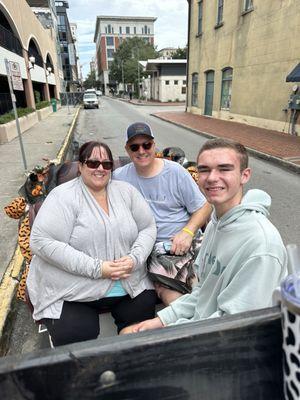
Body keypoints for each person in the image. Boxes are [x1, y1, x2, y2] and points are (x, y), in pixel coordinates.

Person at [121, 138, 288, 334]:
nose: (212, 178)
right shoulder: (215, 224)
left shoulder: (261, 245)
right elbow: (203, 294)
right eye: (205, 170)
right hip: (206, 328)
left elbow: (236, 326)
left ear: (245, 175)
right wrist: (159, 321)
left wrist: (166, 334)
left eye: (224, 169)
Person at [26, 141, 157, 346]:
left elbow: (148, 227)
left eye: (106, 164)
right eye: (93, 163)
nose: (100, 169)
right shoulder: (62, 197)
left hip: (129, 283)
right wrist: (98, 268)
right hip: (72, 291)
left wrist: (134, 259)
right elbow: (41, 241)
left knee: (142, 331)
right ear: (81, 166)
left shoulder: (126, 192)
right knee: (77, 337)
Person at [114, 122, 212, 305]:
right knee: (165, 286)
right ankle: (186, 323)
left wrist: (188, 232)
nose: (141, 151)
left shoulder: (175, 172)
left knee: (214, 275)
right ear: (127, 150)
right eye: (134, 147)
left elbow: (205, 206)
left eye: (146, 145)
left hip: (189, 242)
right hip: (155, 251)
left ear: (154, 145)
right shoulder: (119, 178)